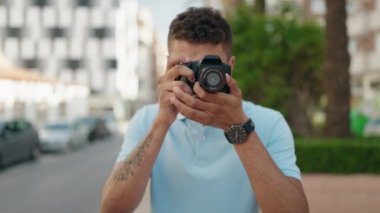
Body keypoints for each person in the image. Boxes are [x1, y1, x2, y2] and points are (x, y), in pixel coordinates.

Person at [101, 7, 309, 213]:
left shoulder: (269, 123)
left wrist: (237, 127)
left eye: (209, 66)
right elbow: (112, 208)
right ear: (168, 65)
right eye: (186, 66)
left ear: (230, 66)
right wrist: (162, 122)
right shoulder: (146, 120)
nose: (198, 78)